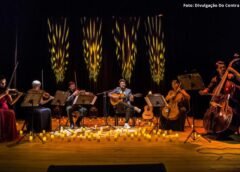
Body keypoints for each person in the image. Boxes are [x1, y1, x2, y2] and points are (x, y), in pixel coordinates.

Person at [0, 75, 22, 142]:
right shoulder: (4, 92)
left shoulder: (6, 91)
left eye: (5, 83)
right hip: (0, 110)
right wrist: (4, 94)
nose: (4, 85)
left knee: (11, 112)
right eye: (2, 83)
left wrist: (18, 96)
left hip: (5, 109)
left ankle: (9, 134)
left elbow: (11, 103)